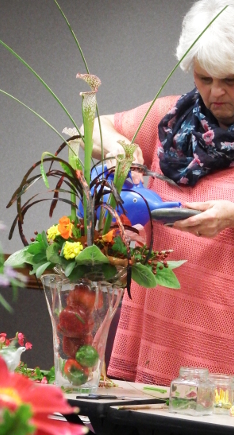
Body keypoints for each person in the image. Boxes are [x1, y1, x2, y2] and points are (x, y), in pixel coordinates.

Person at [91, 0, 234, 386]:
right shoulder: (172, 120)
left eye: (231, 80)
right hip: (155, 331)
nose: (215, 92)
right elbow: (85, 127)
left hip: (223, 342)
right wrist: (116, 147)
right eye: (204, 78)